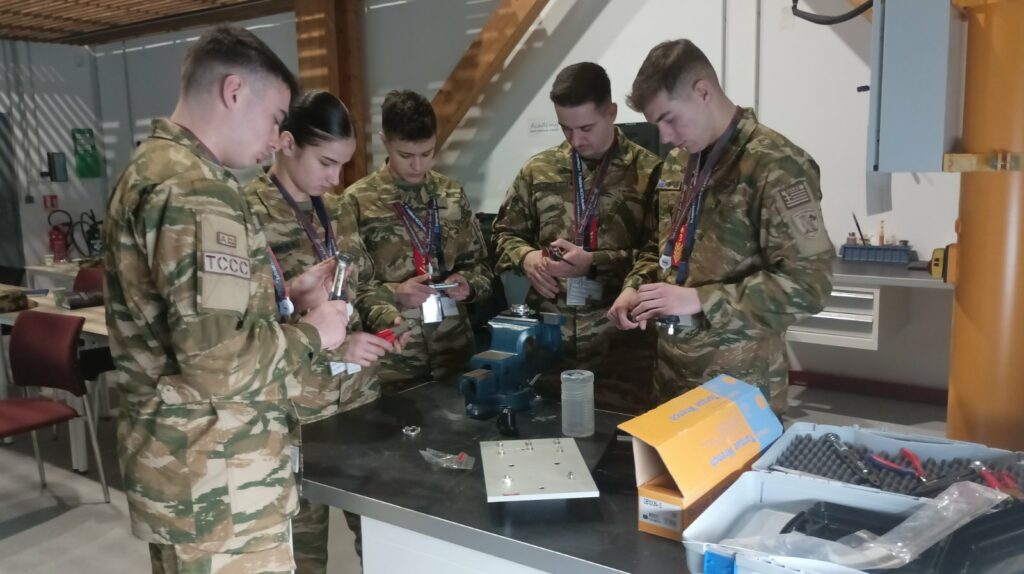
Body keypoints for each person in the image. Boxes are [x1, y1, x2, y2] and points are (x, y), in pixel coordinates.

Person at [103, 27, 349, 573]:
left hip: (184, 473)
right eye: (275, 118)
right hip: (223, 485)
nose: (276, 139)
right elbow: (220, 364)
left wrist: (284, 299)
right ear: (234, 91)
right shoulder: (199, 191)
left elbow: (186, 319)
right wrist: (316, 332)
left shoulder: (150, 169)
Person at [609, 39, 835, 413]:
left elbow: (810, 286)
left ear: (703, 92)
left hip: (738, 390)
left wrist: (700, 300)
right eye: (656, 125)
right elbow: (661, 249)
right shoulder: (679, 163)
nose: (665, 137)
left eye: (668, 119)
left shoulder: (777, 166)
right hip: (671, 381)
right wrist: (636, 289)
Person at [243, 89, 409, 573]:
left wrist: (384, 319)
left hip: (358, 403)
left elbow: (364, 285)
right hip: (294, 415)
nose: (336, 179)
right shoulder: (246, 216)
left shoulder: (335, 209)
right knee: (303, 552)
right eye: (326, 163)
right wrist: (335, 346)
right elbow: (246, 331)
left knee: (379, 540)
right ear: (286, 144)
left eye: (343, 165)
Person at [492, 62, 663, 412]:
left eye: (586, 128)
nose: (575, 140)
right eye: (565, 128)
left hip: (621, 349)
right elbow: (503, 234)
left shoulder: (649, 173)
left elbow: (659, 254)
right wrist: (527, 258)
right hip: (549, 348)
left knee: (618, 438)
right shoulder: (539, 170)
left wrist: (594, 264)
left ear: (611, 113)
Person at [341, 90, 492, 392]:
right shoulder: (357, 202)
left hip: (454, 353)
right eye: (406, 156)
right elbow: (347, 292)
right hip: (394, 363)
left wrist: (469, 284)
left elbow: (482, 268)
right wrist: (395, 293)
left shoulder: (451, 194)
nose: (418, 166)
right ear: (384, 141)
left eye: (427, 153)